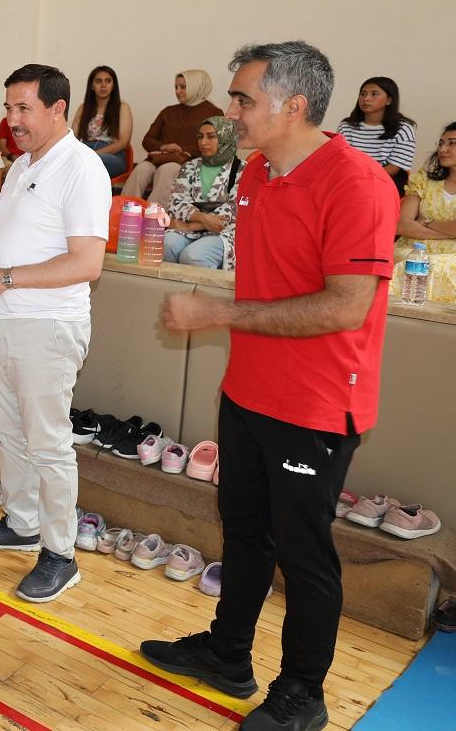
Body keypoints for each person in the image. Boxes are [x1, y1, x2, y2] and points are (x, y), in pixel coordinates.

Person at [140, 41, 398, 731]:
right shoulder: (255, 172)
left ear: (294, 106)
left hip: (315, 405)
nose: (229, 112)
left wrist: (217, 313)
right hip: (247, 392)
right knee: (245, 531)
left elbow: (346, 306)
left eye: (242, 99)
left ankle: (303, 693)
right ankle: (229, 653)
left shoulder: (359, 184)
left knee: (303, 554)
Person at [0, 63, 109, 604]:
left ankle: (60, 555)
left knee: (48, 442)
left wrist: (3, 279)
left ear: (58, 109)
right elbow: (6, 236)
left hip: (49, 326)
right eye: (9, 107)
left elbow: (87, 263)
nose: (13, 119)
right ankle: (21, 523)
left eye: (24, 108)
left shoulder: (82, 168)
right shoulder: (21, 166)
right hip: (5, 320)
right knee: (8, 429)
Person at [390, 120, 456, 306]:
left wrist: (427, 221)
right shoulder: (424, 180)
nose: (443, 149)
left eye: (452, 143)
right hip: (414, 249)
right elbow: (401, 225)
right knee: (411, 263)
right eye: (441, 143)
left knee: (434, 268)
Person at [125, 70, 224, 207]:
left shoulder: (214, 113)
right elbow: (147, 140)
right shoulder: (168, 111)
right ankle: (123, 210)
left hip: (193, 163)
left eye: (183, 87)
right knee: (142, 168)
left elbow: (215, 145)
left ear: (197, 86)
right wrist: (164, 147)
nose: (178, 91)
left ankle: (153, 214)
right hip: (162, 158)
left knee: (167, 170)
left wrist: (181, 151)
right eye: (176, 87)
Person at [163, 116, 245, 270]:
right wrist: (202, 218)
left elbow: (233, 211)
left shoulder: (242, 170)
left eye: (211, 137)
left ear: (226, 138)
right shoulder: (189, 167)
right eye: (200, 137)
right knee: (167, 244)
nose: (203, 142)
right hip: (189, 228)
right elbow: (175, 203)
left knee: (193, 256)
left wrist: (188, 226)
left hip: (224, 233)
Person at [336, 77, 415, 196]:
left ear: (389, 100)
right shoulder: (346, 126)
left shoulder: (403, 128)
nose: (366, 98)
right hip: (351, 178)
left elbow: (394, 168)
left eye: (374, 94)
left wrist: (364, 180)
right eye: (363, 94)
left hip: (385, 180)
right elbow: (341, 159)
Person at [70, 65, 134, 178]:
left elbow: (123, 142)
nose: (103, 85)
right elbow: (73, 138)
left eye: (108, 81)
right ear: (91, 86)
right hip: (86, 150)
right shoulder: (83, 108)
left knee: (89, 163)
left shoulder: (122, 107)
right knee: (66, 162)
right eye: (98, 81)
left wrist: (93, 155)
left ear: (113, 85)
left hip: (112, 156)